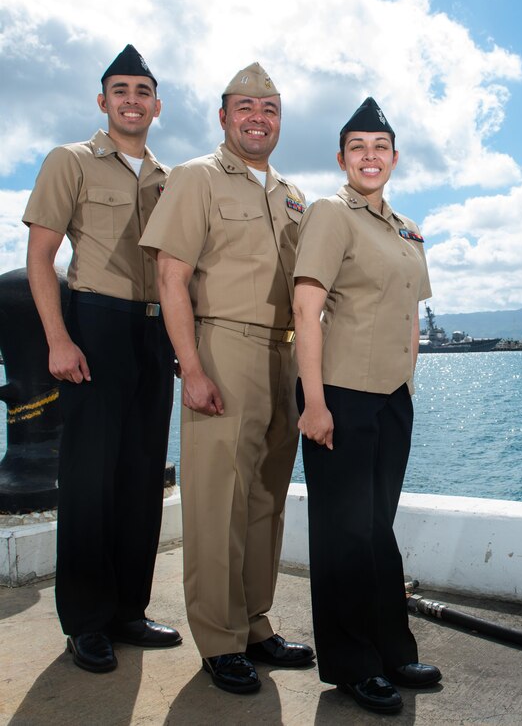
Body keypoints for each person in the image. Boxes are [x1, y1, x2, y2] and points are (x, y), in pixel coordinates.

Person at [139, 62, 314, 694]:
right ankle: (218, 639)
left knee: (266, 499)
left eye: (268, 109)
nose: (257, 118)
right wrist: (192, 366)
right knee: (218, 503)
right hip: (223, 345)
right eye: (245, 107)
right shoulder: (195, 178)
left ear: (279, 121)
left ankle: (254, 624)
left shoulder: (293, 195)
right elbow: (170, 278)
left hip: (284, 355)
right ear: (223, 116)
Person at [23, 45, 181, 674]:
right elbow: (41, 258)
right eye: (121, 90)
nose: (132, 101)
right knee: (89, 479)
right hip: (96, 325)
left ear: (157, 105)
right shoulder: (72, 161)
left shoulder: (171, 178)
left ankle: (128, 613)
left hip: (155, 335)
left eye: (143, 91)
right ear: (102, 101)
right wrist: (58, 340)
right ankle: (85, 622)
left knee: (141, 478)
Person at [293, 97, 441, 714]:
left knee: (377, 528)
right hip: (341, 397)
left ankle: (392, 650)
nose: (370, 157)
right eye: (358, 148)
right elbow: (306, 306)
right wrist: (314, 403)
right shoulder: (331, 213)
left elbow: (411, 316)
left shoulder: (405, 230)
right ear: (342, 158)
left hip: (390, 399)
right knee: (342, 533)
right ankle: (353, 666)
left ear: (395, 159)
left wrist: (407, 387)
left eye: (380, 148)